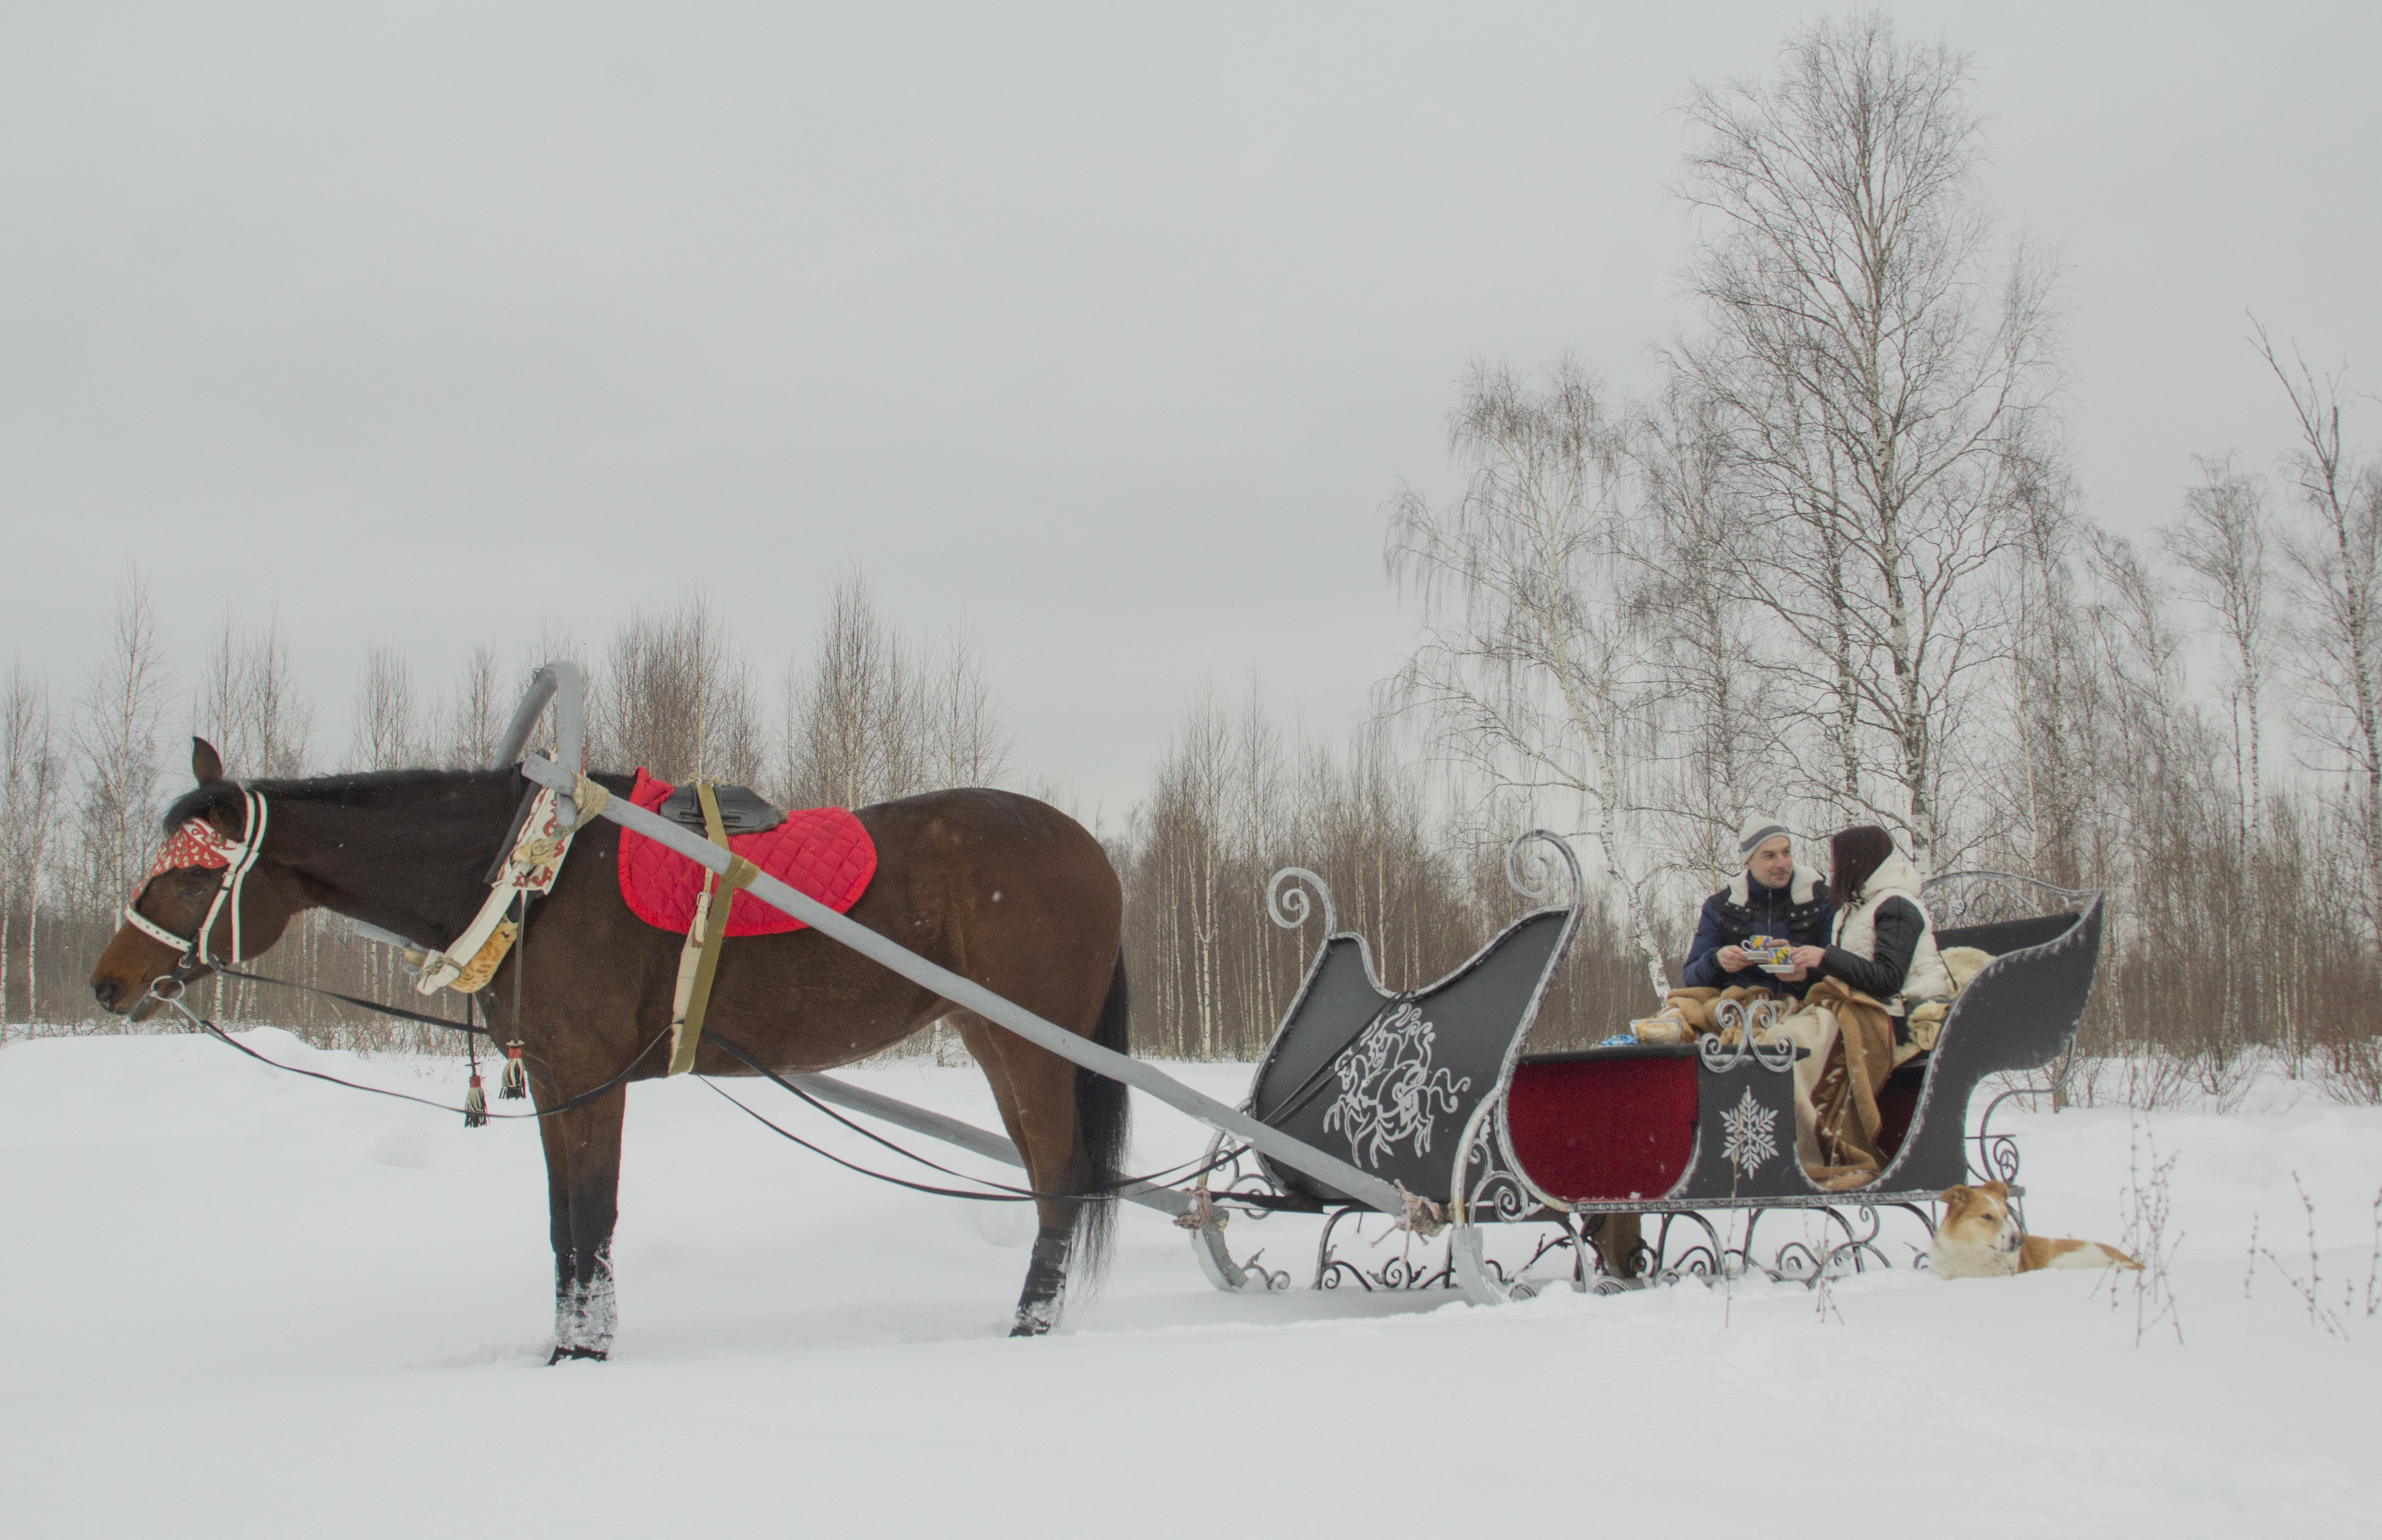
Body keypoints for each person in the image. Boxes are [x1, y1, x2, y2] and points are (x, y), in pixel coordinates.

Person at [1775, 825, 1953, 1184]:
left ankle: (1813, 1147)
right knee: (1783, 1034)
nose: (1833, 871)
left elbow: (1888, 979)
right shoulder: (1858, 908)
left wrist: (1825, 957)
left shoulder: (1898, 906)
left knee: (1796, 1043)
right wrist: (1807, 975)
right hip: (1865, 1005)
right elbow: (1856, 974)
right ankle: (1792, 1140)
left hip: (1901, 1012)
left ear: (1857, 862)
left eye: (1837, 862)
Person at [1681, 815, 1834, 996]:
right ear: (1748, 861)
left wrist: (1805, 973)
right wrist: (1717, 962)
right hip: (1740, 1009)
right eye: (1770, 856)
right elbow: (1691, 978)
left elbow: (1844, 969)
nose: (1782, 864)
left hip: (1806, 1007)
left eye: (1786, 852)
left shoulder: (1823, 900)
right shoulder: (1722, 906)